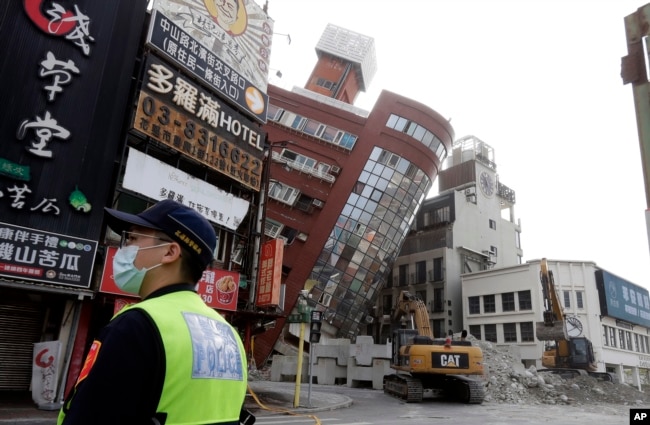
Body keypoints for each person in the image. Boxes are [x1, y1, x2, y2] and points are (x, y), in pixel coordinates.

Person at [57, 199, 248, 424]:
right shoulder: (229, 335)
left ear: (169, 252)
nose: (125, 247)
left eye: (133, 238)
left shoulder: (136, 326)